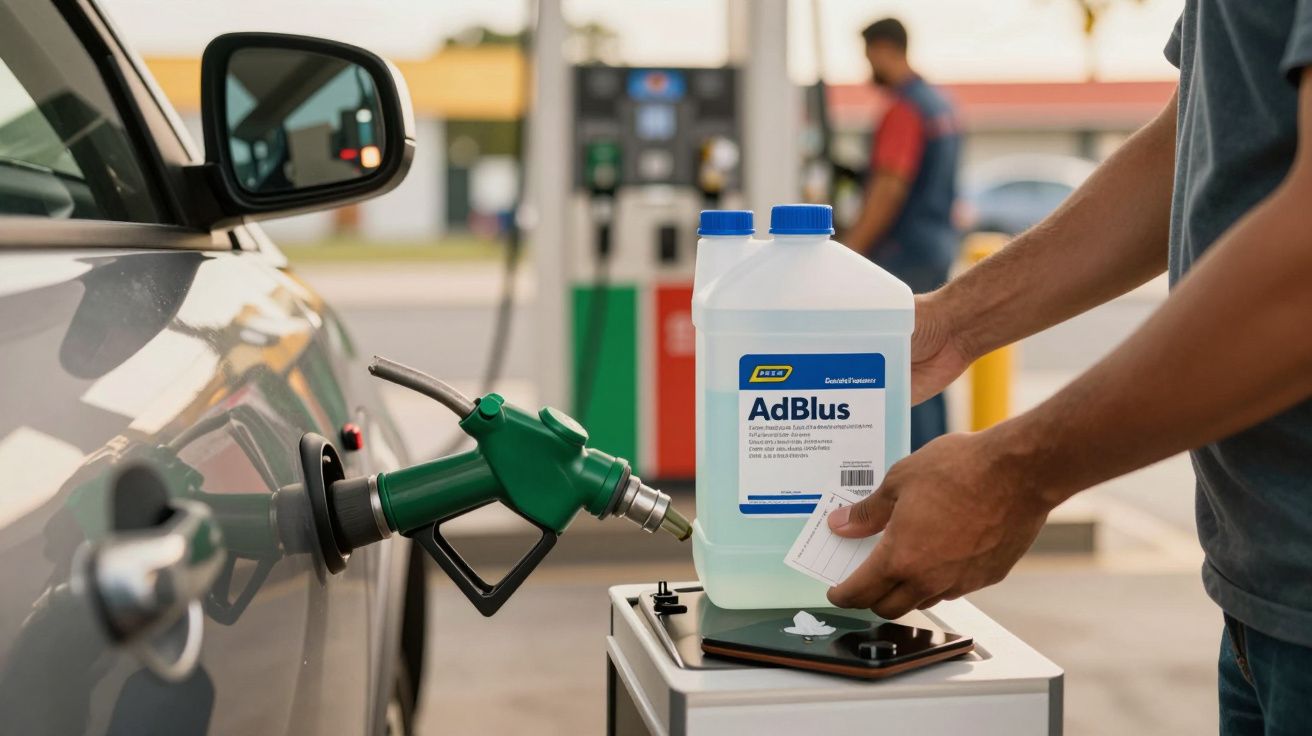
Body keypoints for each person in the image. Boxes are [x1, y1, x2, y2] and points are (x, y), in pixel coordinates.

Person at [826, 3, 1312, 732]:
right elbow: (1206, 133)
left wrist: (1015, 472)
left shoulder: (905, 111)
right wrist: (954, 325)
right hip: (1259, 594)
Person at [841, 18, 962, 451]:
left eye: (868, 55)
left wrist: (850, 249)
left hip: (901, 254)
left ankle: (914, 470)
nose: (866, 65)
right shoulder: (940, 105)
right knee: (931, 356)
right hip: (934, 247)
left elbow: (890, 183)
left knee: (899, 366)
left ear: (884, 49)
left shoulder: (903, 110)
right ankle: (940, 460)